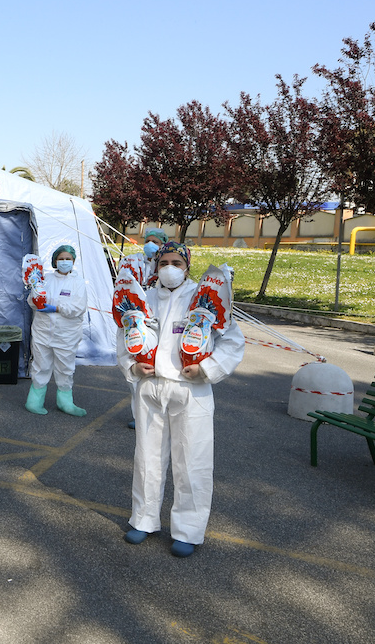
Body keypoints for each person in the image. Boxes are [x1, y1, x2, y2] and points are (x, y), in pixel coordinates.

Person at [117, 242, 244, 558]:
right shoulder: (144, 297)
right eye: (163, 263)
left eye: (176, 262)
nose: (169, 268)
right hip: (150, 388)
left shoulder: (204, 298)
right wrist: (131, 366)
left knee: (192, 461)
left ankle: (188, 530)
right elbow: (122, 335)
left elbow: (233, 342)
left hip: (191, 390)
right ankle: (143, 520)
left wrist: (206, 369)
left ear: (188, 266)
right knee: (147, 459)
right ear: (155, 266)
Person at [24, 244, 88, 417]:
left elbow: (78, 307)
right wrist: (35, 296)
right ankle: (34, 401)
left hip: (66, 334)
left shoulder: (78, 282)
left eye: (68, 259)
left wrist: (57, 308)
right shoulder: (45, 279)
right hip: (42, 331)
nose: (64, 262)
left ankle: (65, 402)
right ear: (55, 261)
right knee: (40, 366)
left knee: (65, 368)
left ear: (73, 261)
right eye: (61, 259)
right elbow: (32, 301)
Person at [119, 227, 168, 429]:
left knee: (159, 373)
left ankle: (159, 415)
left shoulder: (166, 266)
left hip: (159, 325)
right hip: (136, 324)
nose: (151, 245)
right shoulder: (133, 262)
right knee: (136, 373)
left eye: (156, 242)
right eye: (148, 240)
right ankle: (138, 416)